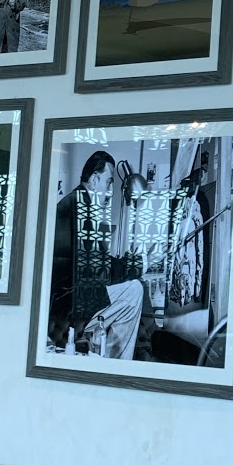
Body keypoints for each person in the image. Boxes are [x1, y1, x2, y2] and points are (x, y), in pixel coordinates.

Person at [48, 151, 145, 359]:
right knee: (134, 290)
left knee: (129, 288)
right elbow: (100, 271)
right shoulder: (81, 209)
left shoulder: (74, 203)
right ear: (94, 180)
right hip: (68, 308)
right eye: (108, 182)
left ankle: (109, 360)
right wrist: (139, 264)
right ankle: (114, 365)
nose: (110, 190)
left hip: (66, 302)